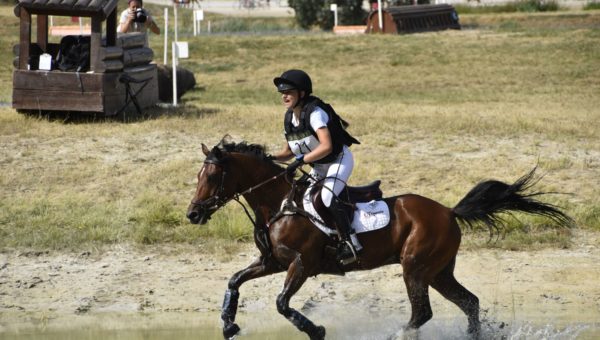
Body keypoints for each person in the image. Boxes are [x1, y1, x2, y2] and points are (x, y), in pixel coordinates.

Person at [271, 69, 362, 265]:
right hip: (319, 166)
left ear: (302, 93)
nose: (284, 96)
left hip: (338, 160)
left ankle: (350, 242)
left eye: (289, 92)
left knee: (327, 197)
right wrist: (268, 158)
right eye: (282, 93)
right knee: (300, 197)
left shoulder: (315, 113)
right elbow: (287, 152)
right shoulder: (289, 118)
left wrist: (301, 160)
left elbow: (326, 146)